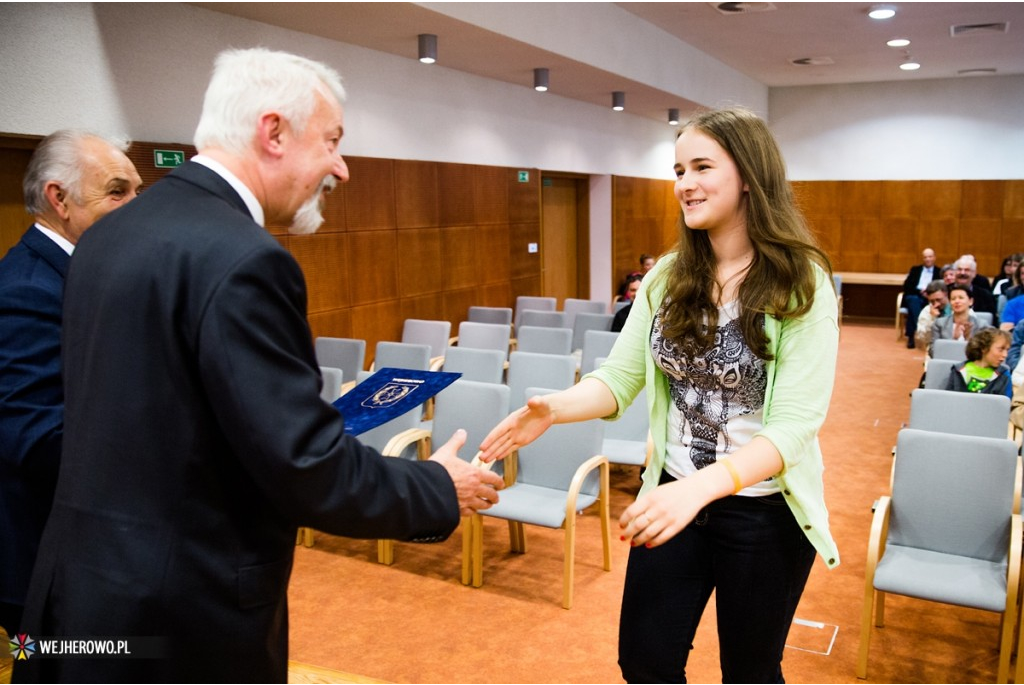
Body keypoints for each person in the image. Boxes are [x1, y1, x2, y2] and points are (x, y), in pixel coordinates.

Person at [16, 48, 503, 683]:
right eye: (332, 141)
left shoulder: (109, 234)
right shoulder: (245, 258)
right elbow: (307, 467)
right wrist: (440, 487)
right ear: (273, 132)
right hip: (183, 616)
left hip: (81, 595)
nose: (342, 168)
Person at [480, 107, 839, 683]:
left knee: (750, 671)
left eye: (702, 166)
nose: (685, 184)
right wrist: (556, 408)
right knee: (645, 662)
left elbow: (793, 428)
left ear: (748, 174)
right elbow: (621, 378)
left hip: (764, 514)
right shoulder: (669, 275)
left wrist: (698, 490)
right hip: (671, 497)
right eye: (678, 170)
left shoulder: (802, 282)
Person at [0, 130, 142, 636]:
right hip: (49, 565)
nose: (134, 206)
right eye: (117, 191)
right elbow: (36, 438)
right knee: (42, 667)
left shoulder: (84, 273)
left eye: (136, 192)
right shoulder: (27, 290)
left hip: (93, 555)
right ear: (59, 199)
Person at [945, 327, 1013, 397]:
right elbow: (948, 400)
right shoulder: (958, 370)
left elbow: (1005, 404)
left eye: (1007, 350)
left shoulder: (1004, 375)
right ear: (984, 348)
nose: (1005, 355)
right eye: (1001, 349)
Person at [929, 283, 982, 356]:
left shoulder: (982, 325)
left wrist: (968, 340)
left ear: (970, 301)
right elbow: (932, 351)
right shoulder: (939, 324)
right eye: (953, 299)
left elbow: (983, 353)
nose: (957, 301)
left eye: (961, 298)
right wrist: (953, 341)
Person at [901, 247, 938, 348]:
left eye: (930, 256)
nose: (927, 259)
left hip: (931, 298)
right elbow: (907, 286)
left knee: (912, 311)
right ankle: (918, 328)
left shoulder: (939, 271)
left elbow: (941, 287)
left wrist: (929, 293)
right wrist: (920, 292)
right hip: (915, 295)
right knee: (913, 301)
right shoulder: (915, 270)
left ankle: (911, 336)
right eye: (925, 257)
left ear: (934, 258)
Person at [953, 255, 998, 323]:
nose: (962, 273)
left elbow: (993, 322)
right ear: (954, 272)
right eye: (959, 269)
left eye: (967, 270)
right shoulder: (944, 291)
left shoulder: (986, 296)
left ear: (974, 274)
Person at [913, 280, 950, 351]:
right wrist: (933, 319)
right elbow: (923, 338)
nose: (936, 304)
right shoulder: (927, 311)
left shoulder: (956, 308)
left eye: (939, 300)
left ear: (946, 294)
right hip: (935, 349)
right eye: (932, 301)